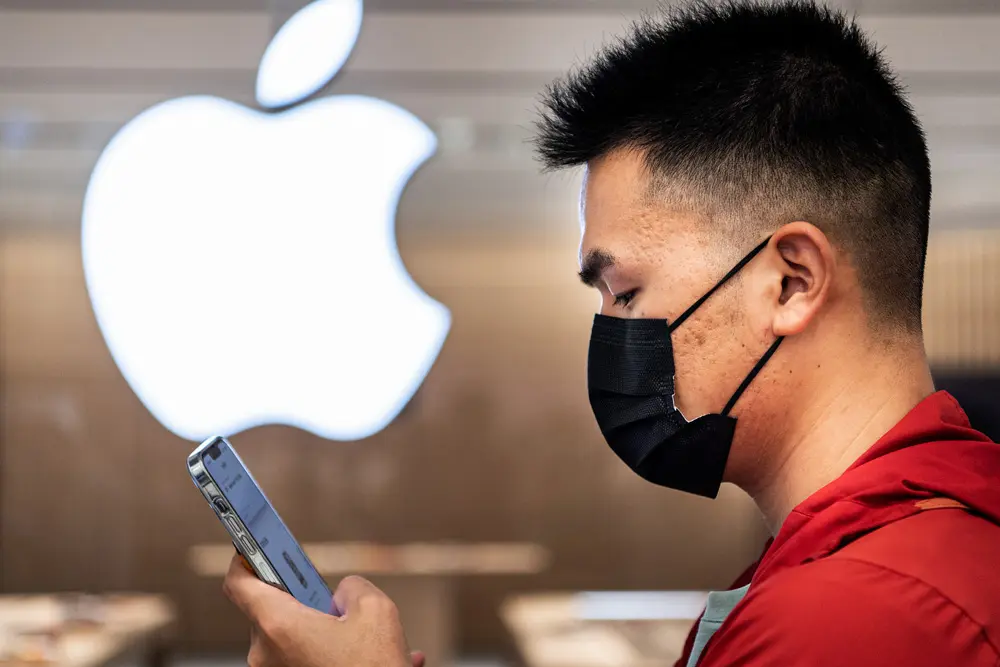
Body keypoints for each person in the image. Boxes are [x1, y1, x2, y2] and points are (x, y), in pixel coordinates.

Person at [222, 1, 1000, 665]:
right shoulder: (908, 550)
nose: (610, 335)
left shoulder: (850, 620)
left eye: (625, 291)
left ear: (791, 280)